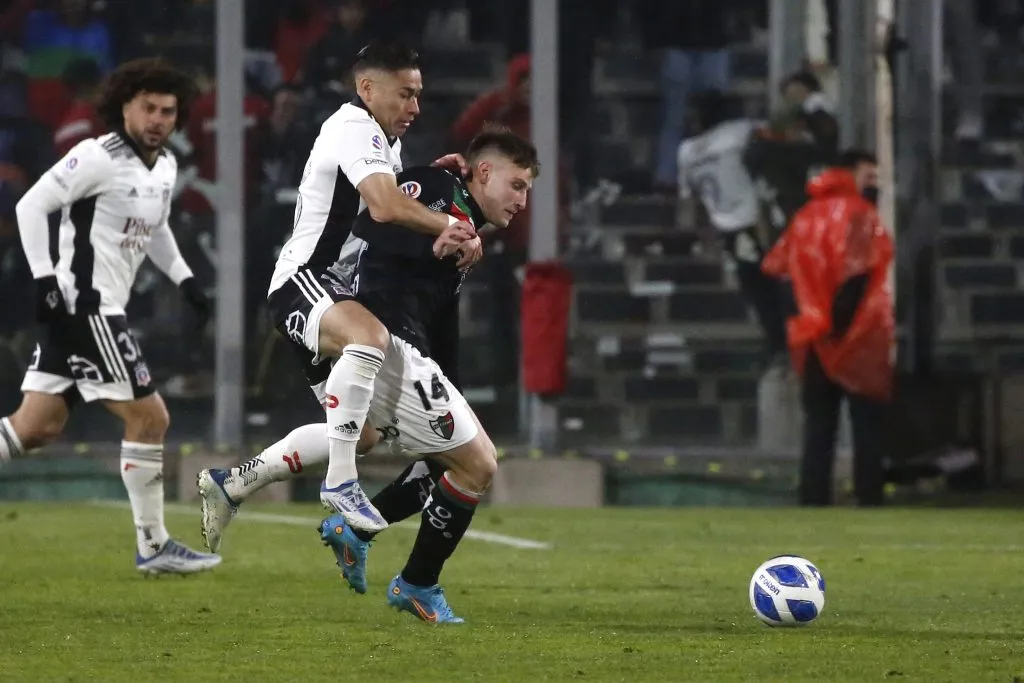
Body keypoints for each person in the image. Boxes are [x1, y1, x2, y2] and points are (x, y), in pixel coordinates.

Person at [200, 127, 538, 623]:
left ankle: (240, 483)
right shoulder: (441, 191)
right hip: (381, 337)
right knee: (477, 465)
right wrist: (438, 231)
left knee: (373, 439)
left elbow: (441, 313)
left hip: (398, 345)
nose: (523, 200)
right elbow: (374, 227)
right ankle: (416, 583)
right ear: (484, 172)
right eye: (517, 185)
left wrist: (451, 385)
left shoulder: (461, 219)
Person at [240, 42, 479, 534]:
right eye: (405, 95)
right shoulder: (354, 127)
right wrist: (445, 226)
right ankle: (341, 482)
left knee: (361, 432)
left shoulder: (382, 139)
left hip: (331, 291)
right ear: (367, 89)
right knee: (370, 339)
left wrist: (433, 177)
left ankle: (233, 482)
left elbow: (382, 205)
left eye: (418, 96)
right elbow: (386, 206)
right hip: (304, 281)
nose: (414, 107)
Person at [0, 58, 220, 574]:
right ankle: (154, 545)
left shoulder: (163, 166)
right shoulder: (96, 156)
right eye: (148, 107)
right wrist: (45, 282)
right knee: (151, 418)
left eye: (168, 110)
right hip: (87, 308)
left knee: (34, 428)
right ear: (123, 106)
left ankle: (153, 546)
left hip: (98, 309)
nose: (158, 119)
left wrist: (186, 278)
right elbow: (31, 206)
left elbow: (157, 228)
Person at [762, 150, 893, 507]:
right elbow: (858, 274)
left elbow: (781, 270)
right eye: (869, 174)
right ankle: (869, 497)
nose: (875, 183)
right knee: (867, 423)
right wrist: (839, 325)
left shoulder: (804, 216)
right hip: (856, 335)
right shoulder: (859, 214)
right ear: (850, 173)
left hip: (812, 335)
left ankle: (813, 497)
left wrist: (804, 323)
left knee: (819, 424)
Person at [677, 90, 788, 367]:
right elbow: (778, 134)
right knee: (771, 283)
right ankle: (783, 344)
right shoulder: (737, 133)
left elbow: (689, 200)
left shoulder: (686, 151)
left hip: (730, 225)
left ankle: (779, 345)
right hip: (755, 220)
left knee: (758, 286)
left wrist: (703, 233)